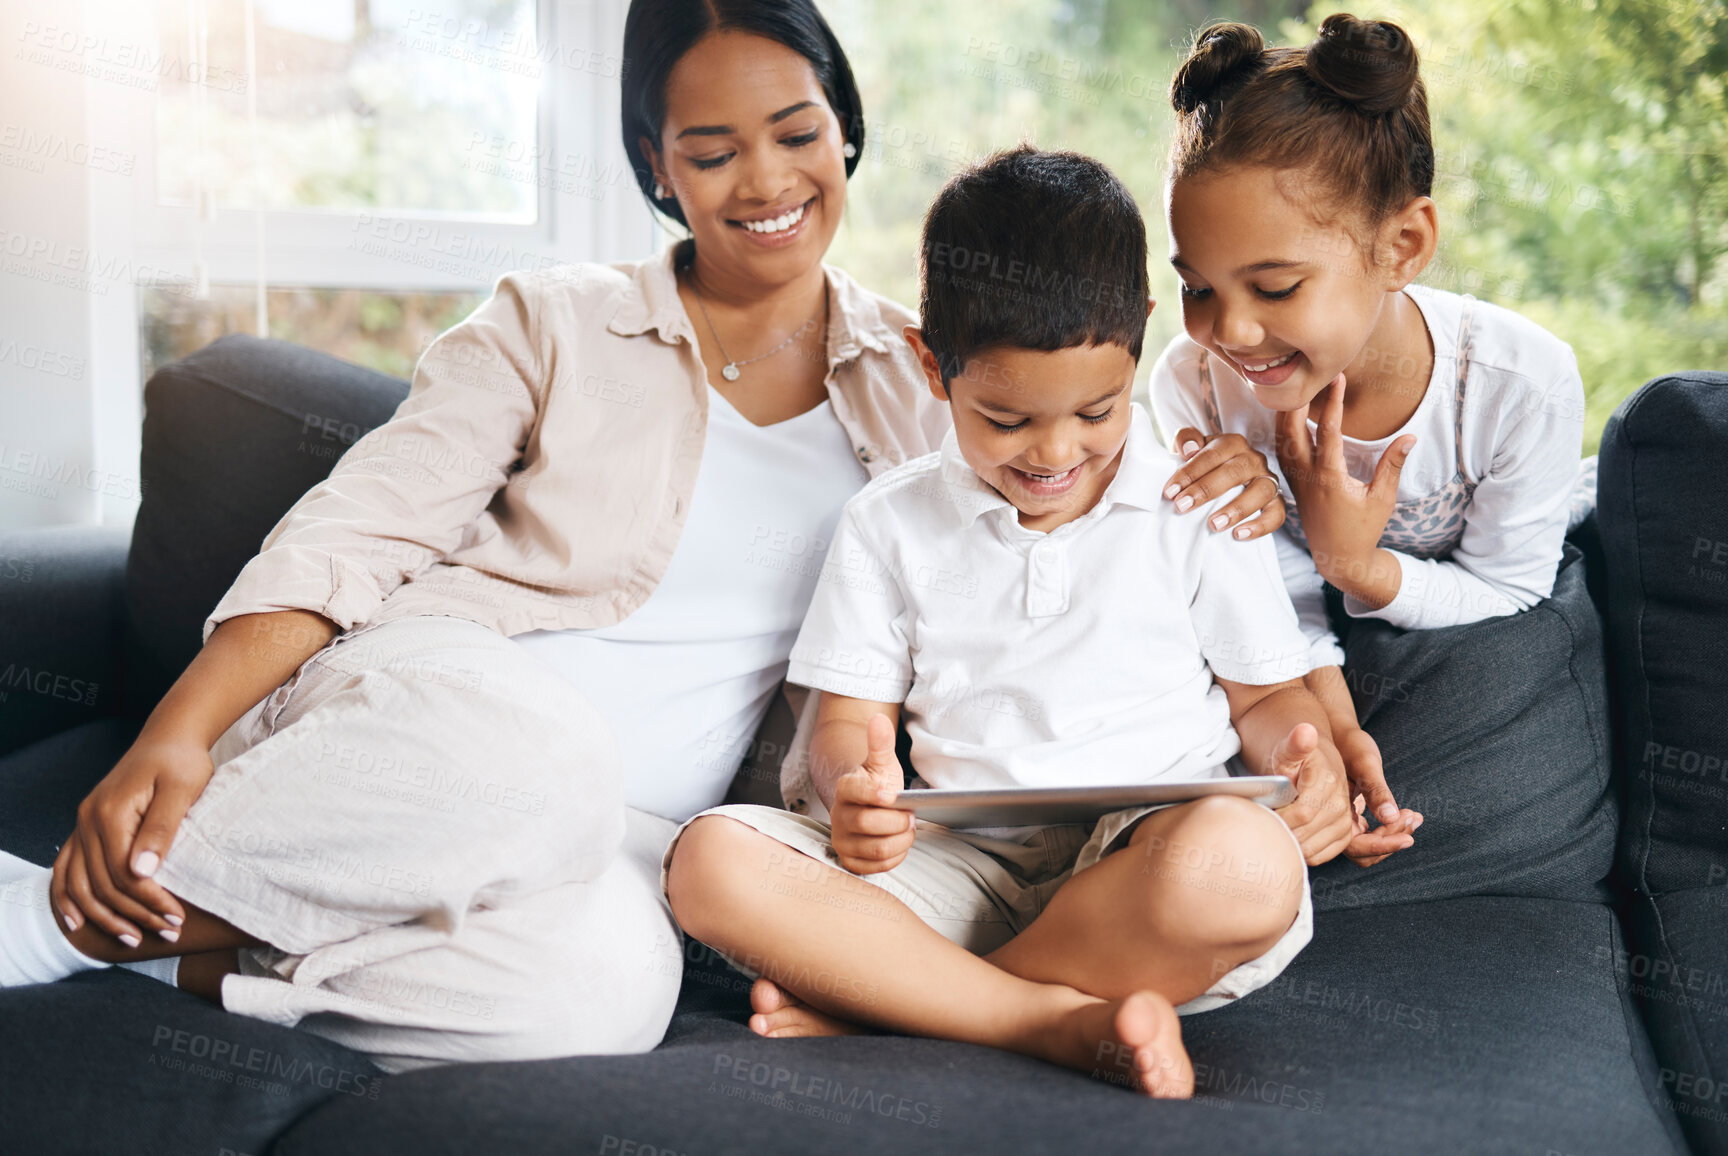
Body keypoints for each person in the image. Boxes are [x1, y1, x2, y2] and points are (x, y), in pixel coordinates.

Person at [664, 147, 1408, 1099]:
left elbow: (1265, 697)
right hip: (953, 863)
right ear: (933, 366)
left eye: (1097, 411)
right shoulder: (889, 523)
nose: (1056, 453)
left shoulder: (1199, 501)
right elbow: (850, 718)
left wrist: (1301, 763)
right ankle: (1041, 1021)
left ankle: (910, 1008)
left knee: (1245, 867)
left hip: (1150, 857)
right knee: (710, 862)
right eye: (1007, 421)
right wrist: (854, 782)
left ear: (1140, 337)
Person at [1151, 15, 1588, 820]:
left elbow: (1511, 585)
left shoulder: (1520, 384)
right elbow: (1258, 599)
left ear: (1404, 246)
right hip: (1303, 654)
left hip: (1473, 607)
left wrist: (1355, 565)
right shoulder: (1197, 385)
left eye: (1276, 287)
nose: (1231, 332)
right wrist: (1328, 721)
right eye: (1198, 288)